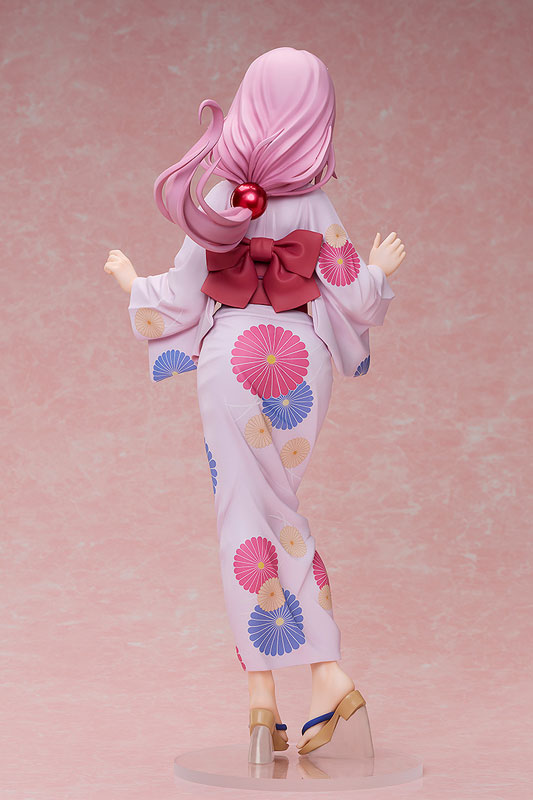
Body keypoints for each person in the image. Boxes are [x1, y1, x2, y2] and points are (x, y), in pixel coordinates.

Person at [104, 47, 405, 758]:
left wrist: (131, 285)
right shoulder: (316, 204)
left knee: (243, 517)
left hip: (231, 365)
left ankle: (266, 697)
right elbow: (357, 296)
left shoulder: (223, 198)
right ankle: (321, 679)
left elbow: (183, 291)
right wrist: (379, 271)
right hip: (300, 367)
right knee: (279, 511)